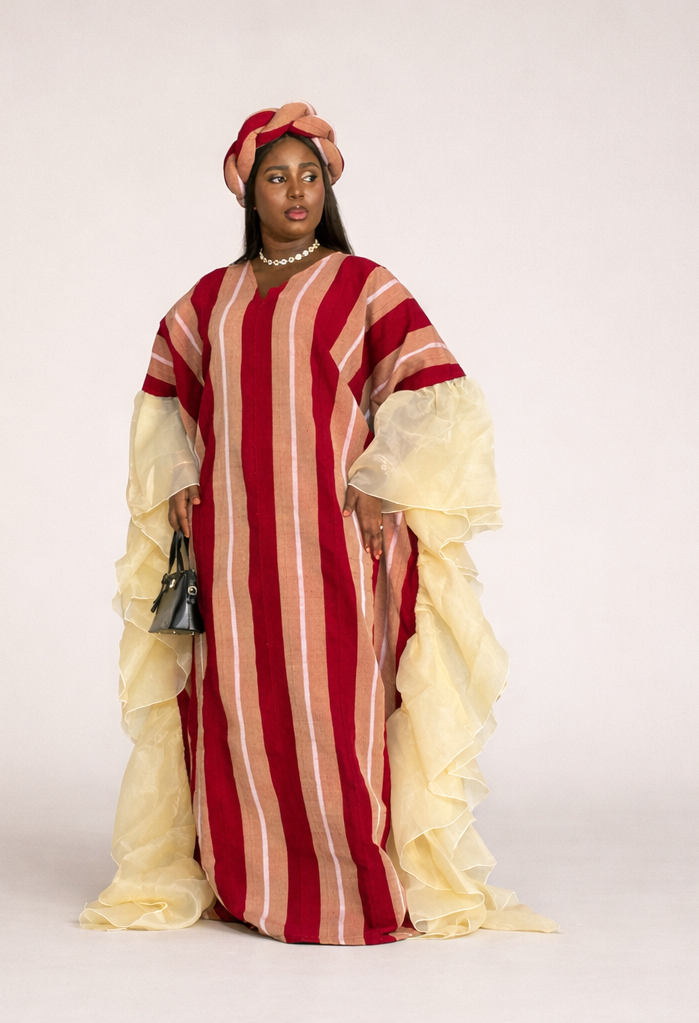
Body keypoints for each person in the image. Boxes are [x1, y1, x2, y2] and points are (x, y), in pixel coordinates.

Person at [80, 103, 556, 945]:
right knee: (238, 702)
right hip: (233, 543)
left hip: (334, 533)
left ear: (328, 187)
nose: (296, 192)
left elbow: (434, 390)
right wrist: (180, 477)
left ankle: (350, 884)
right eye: (277, 177)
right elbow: (166, 399)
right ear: (248, 192)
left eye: (309, 176)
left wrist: (383, 481)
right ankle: (248, 878)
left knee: (337, 700)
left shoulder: (364, 286)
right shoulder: (209, 300)